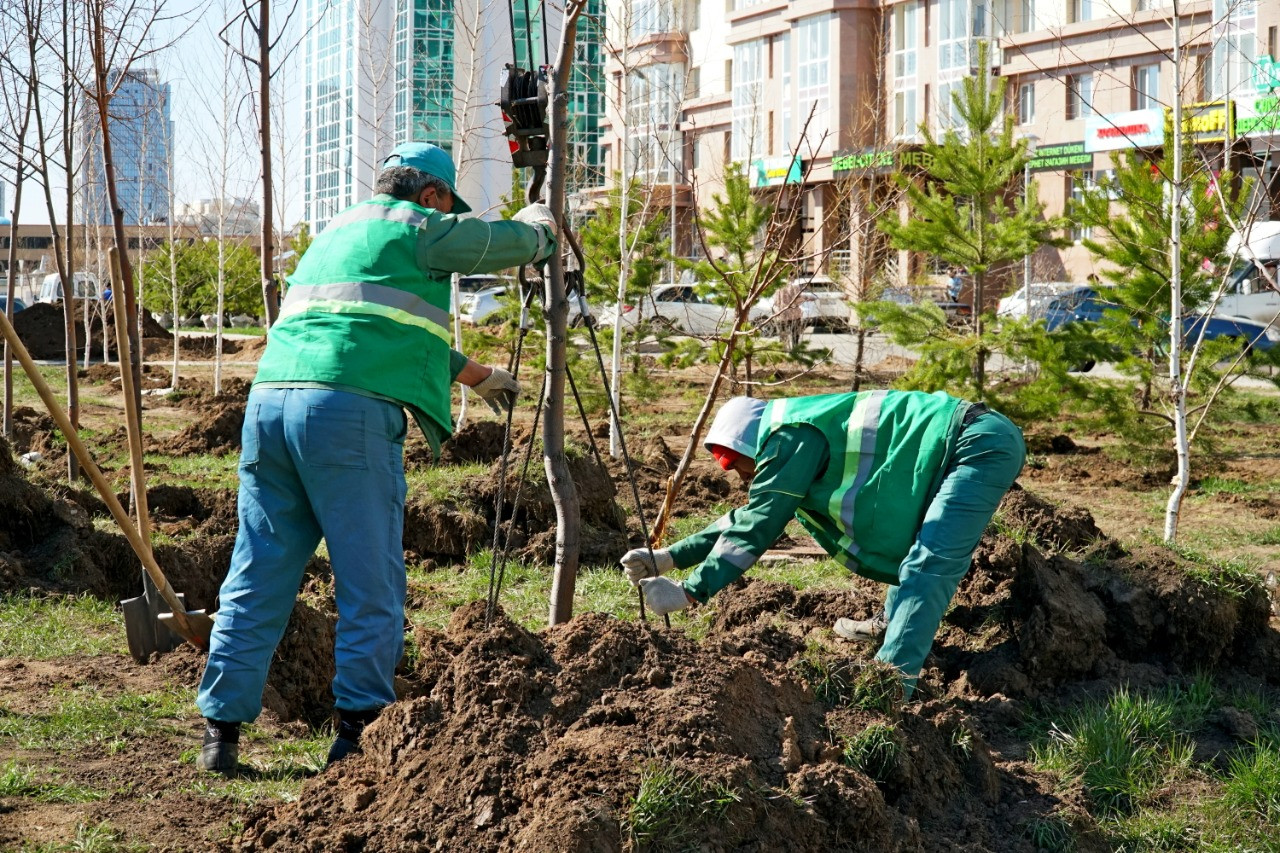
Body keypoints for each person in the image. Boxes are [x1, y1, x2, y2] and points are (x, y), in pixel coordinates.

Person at [194, 142, 559, 774]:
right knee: (371, 583)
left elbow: (374, 325)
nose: (446, 216)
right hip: (346, 419)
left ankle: (220, 734)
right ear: (431, 196)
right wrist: (542, 230)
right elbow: (496, 243)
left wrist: (474, 374)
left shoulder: (340, 229)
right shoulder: (417, 226)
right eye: (446, 205)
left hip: (272, 407)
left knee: (258, 571)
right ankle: (359, 734)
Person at [620, 391, 1025, 699]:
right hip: (951, 445)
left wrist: (689, 591)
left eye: (740, 470)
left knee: (931, 561)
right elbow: (748, 516)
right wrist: (669, 557)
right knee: (920, 548)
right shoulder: (786, 440)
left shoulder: (790, 440)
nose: (743, 479)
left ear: (745, 449)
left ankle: (890, 685)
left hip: (978, 446)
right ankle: (894, 625)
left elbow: (757, 526)